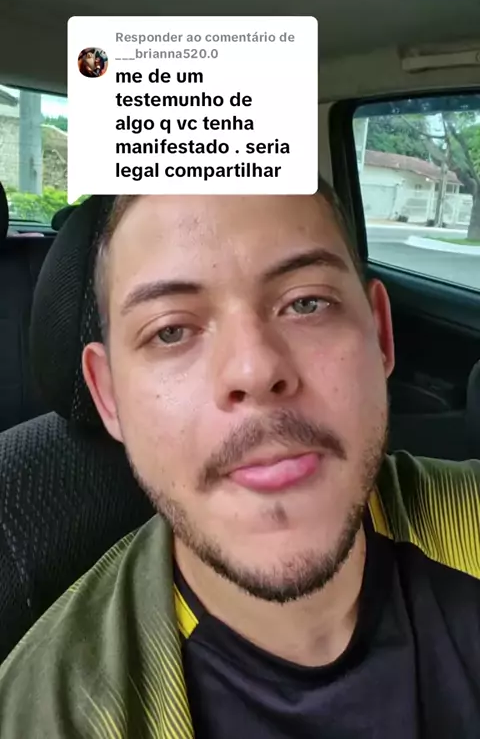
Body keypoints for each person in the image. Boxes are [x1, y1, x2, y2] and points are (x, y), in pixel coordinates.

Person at [0, 186, 479, 739]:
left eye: (306, 303)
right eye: (171, 331)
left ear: (380, 336)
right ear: (109, 398)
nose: (254, 370)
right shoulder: (49, 718)